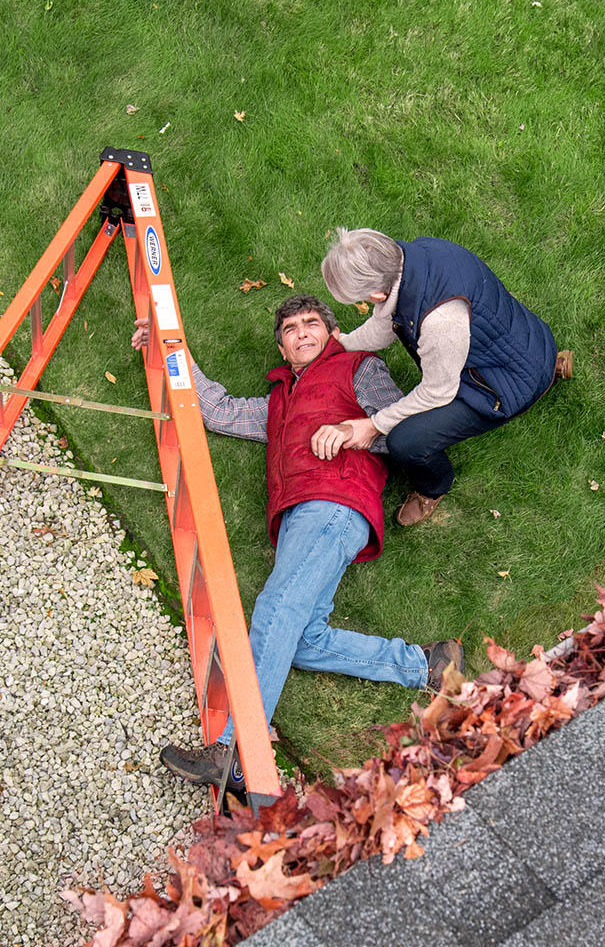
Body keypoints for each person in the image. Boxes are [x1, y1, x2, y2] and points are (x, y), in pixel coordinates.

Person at [131, 294, 462, 789]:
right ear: (283, 348)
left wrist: (356, 432)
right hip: (301, 519)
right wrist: (167, 347)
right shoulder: (280, 401)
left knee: (276, 608)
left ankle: (234, 750)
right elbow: (216, 410)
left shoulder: (359, 368)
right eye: (290, 329)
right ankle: (428, 663)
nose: (302, 332)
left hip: (335, 503)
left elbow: (410, 433)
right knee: (302, 640)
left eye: (312, 323)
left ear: (329, 334)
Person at [318, 230, 571, 526]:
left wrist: (374, 425)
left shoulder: (440, 322)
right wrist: (343, 344)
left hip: (505, 385)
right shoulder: (414, 256)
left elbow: (438, 392)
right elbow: (386, 321)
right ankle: (548, 363)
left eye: (361, 299)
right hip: (527, 341)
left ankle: (432, 488)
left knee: (404, 442)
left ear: (376, 295)